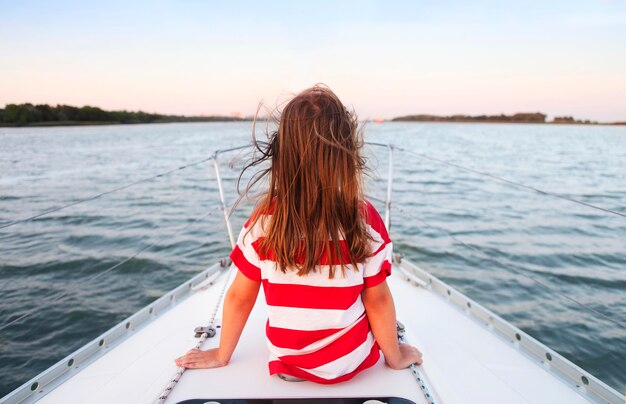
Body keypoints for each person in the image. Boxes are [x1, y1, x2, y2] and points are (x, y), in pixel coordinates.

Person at [175, 84, 422, 383]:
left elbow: (240, 297)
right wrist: (395, 357)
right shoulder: (363, 219)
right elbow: (378, 301)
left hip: (288, 363)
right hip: (349, 363)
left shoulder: (264, 222)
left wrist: (221, 354)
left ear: (282, 153)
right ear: (346, 154)